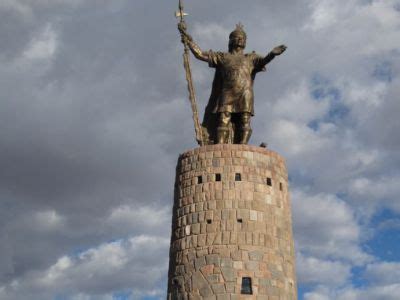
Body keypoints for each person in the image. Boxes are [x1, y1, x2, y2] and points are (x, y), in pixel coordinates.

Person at [178, 23, 287, 144]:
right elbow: (200, 54)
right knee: (223, 118)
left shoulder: (251, 58)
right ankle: (220, 144)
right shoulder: (223, 57)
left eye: (243, 38)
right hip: (227, 92)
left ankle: (243, 145)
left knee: (245, 119)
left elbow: (263, 60)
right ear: (230, 40)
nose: (241, 39)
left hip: (245, 92)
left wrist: (272, 54)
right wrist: (189, 41)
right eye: (237, 37)